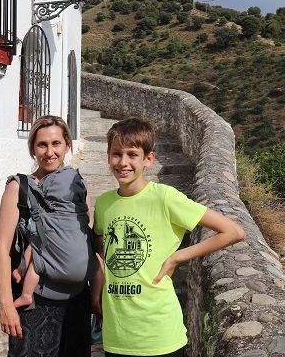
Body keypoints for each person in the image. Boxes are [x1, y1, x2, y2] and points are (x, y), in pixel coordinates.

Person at [92, 118, 246, 357]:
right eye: (116, 154)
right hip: (116, 337)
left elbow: (233, 231)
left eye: (132, 154)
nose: (123, 162)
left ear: (148, 159)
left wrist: (177, 257)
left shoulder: (164, 197)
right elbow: (102, 252)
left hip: (160, 337)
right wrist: (97, 295)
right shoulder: (103, 203)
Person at [0, 115, 98, 357]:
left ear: (67, 146)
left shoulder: (78, 186)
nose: (49, 152)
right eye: (42, 145)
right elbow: (1, 249)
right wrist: (7, 305)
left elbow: (85, 241)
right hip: (35, 304)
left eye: (56, 144)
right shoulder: (17, 188)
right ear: (33, 148)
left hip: (77, 301)